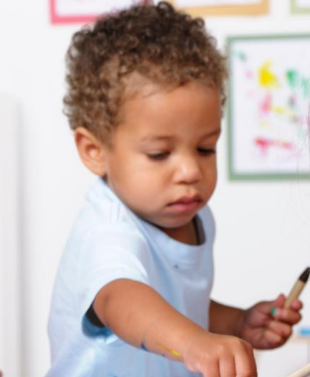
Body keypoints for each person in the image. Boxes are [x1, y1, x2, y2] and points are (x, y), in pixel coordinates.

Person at [47, 3, 304, 375]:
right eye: (159, 153)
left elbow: (182, 306)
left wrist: (236, 323)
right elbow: (121, 299)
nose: (189, 171)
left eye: (205, 148)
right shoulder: (107, 229)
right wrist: (193, 342)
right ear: (95, 151)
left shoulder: (194, 216)